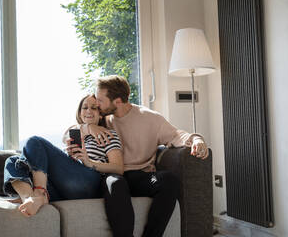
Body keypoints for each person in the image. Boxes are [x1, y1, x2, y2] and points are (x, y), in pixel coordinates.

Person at [79, 75, 209, 237]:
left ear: (117, 101)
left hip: (139, 176)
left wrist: (196, 138)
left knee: (170, 180)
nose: (96, 104)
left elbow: (175, 135)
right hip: (113, 174)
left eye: (100, 100)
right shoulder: (103, 118)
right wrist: (88, 128)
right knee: (116, 182)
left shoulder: (149, 118)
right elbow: (75, 126)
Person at [3, 94, 124, 217]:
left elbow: (118, 168)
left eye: (94, 108)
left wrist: (89, 162)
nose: (88, 111)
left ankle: (39, 193)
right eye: (85, 107)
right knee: (12, 161)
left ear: (100, 113)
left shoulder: (107, 134)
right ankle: (29, 198)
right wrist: (70, 154)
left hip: (89, 181)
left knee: (34, 141)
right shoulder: (73, 133)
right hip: (63, 188)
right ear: (79, 112)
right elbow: (65, 135)